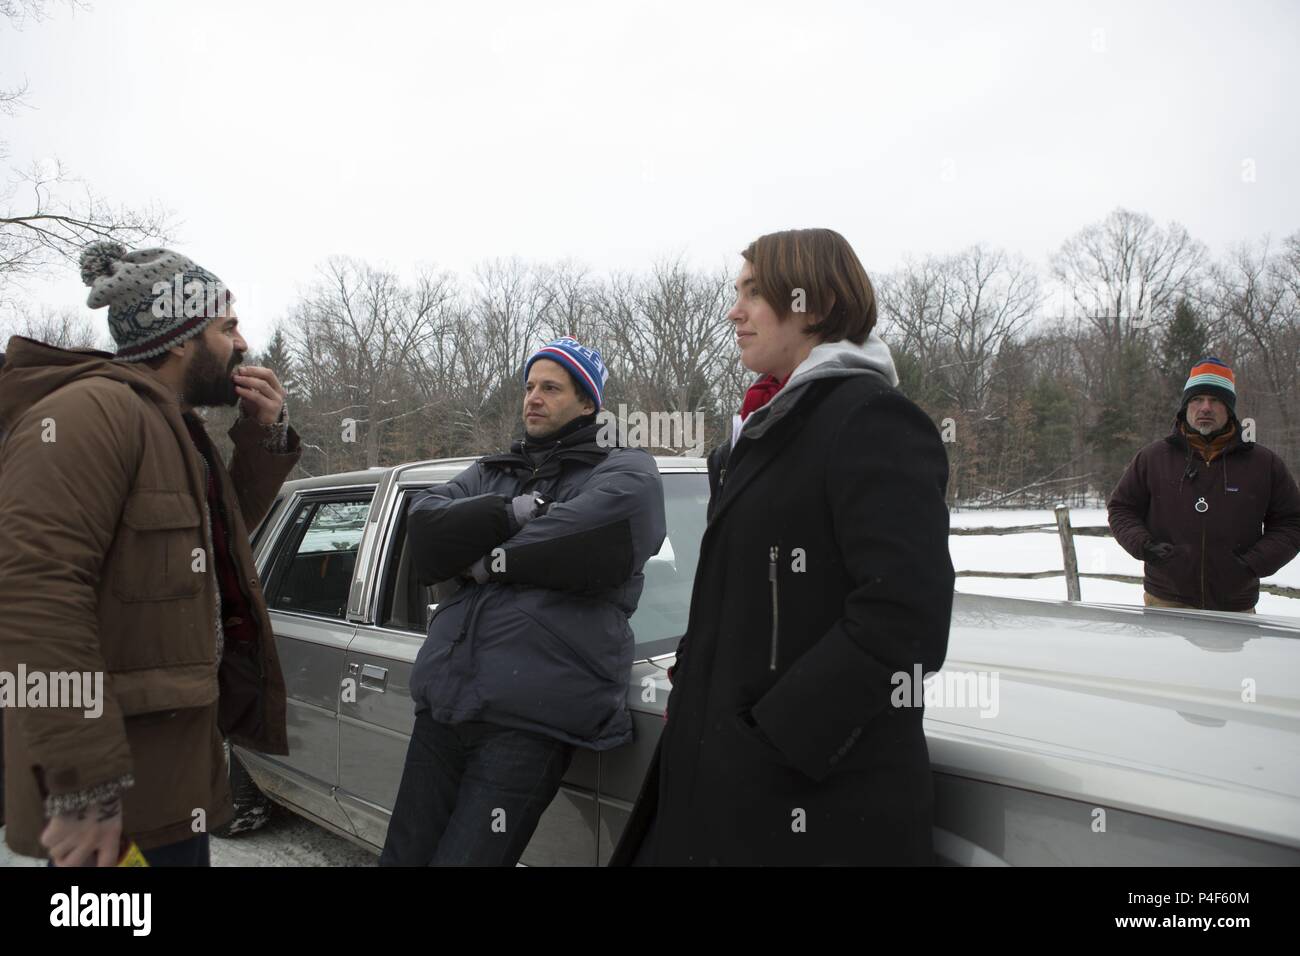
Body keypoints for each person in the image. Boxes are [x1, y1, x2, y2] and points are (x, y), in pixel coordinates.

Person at [610, 228, 954, 866]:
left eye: (753, 293)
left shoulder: (871, 419)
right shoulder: (758, 430)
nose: (734, 311)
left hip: (810, 800)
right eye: (735, 292)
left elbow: (906, 615)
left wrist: (775, 736)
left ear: (813, 305)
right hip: (715, 778)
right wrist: (698, 682)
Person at [0, 241, 300, 866]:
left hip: (165, 784)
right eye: (228, 326)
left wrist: (262, 436)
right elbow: (34, 595)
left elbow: (209, 553)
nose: (243, 344)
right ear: (182, 337)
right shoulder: (89, 415)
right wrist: (82, 778)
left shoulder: (172, 425)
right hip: (110, 797)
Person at [380, 337, 666, 866]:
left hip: (531, 718)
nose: (533, 397)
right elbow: (424, 526)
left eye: (551, 388)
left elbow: (594, 533)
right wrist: (511, 515)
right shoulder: (495, 471)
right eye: (529, 386)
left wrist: (485, 561)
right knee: (402, 857)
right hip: (445, 702)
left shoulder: (625, 468)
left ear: (588, 403)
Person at [1108, 357, 1300, 612]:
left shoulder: (1263, 463)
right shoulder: (1153, 458)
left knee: (1232, 655)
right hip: (1165, 601)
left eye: (1216, 400)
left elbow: (1292, 522)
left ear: (1229, 409)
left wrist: (1251, 564)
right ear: (1185, 407)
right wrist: (1146, 546)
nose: (1205, 408)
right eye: (1197, 399)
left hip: (1235, 606)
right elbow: (1122, 508)